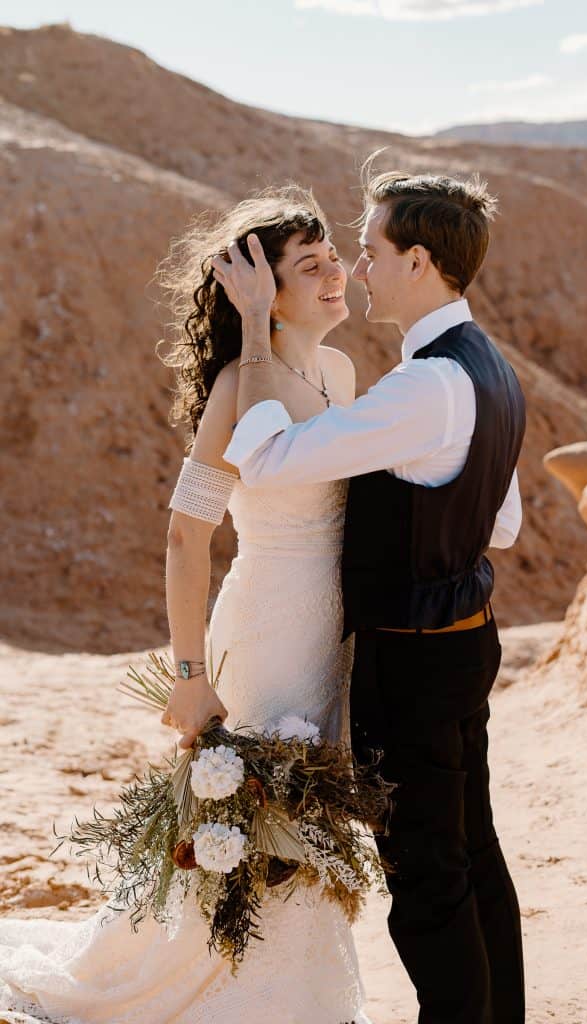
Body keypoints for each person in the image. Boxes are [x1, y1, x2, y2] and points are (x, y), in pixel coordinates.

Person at [0, 187, 372, 1024]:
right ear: (259, 291)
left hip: (327, 637)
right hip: (263, 634)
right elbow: (184, 538)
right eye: (307, 266)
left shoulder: (342, 371)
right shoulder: (239, 386)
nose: (333, 274)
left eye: (332, 258)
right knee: (246, 822)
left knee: (303, 825)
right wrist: (189, 676)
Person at [213, 166, 527, 1024]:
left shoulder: (421, 385)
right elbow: (500, 524)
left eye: (372, 249)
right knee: (474, 853)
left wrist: (250, 327)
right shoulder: (489, 367)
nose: (358, 267)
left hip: (414, 659)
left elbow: (269, 460)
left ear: (418, 261)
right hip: (469, 641)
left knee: (425, 877)